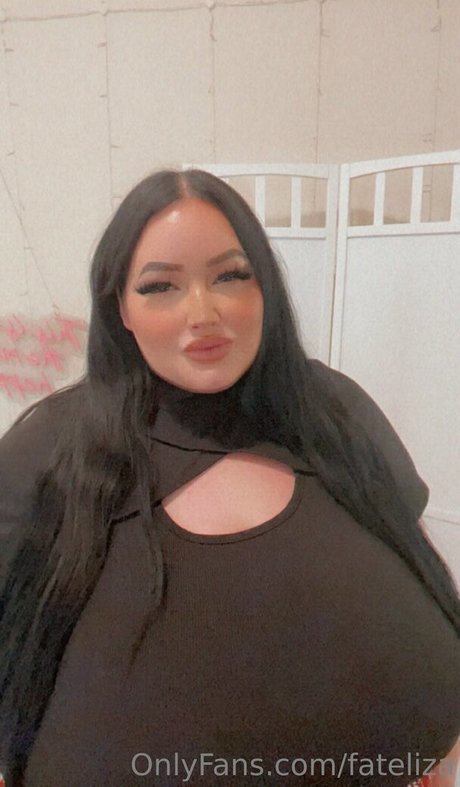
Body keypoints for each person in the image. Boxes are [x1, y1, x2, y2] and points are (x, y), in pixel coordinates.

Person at [0, 168, 459, 787]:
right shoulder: (50, 450)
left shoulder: (333, 409)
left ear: (264, 287)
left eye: (230, 276)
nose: (203, 312)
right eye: (160, 286)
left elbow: (416, 563)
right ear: (120, 309)